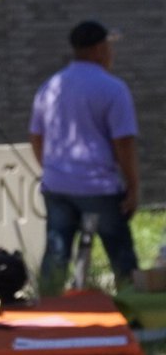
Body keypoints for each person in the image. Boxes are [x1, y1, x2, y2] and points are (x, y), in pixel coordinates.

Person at [29, 20, 140, 295]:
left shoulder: (50, 86)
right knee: (121, 253)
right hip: (98, 186)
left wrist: (50, 168)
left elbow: (35, 136)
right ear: (100, 49)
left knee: (56, 253)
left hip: (57, 185)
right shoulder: (113, 88)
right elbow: (123, 143)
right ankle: (134, 315)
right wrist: (133, 185)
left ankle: (45, 313)